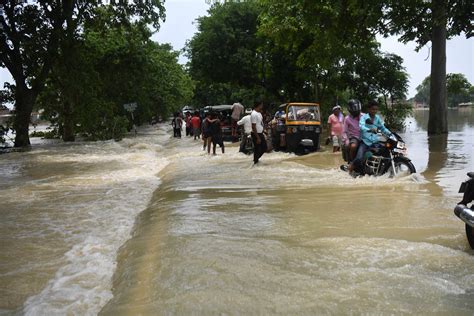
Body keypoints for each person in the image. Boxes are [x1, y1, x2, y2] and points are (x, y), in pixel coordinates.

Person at [349, 100, 393, 173]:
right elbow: (361, 126)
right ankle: (350, 168)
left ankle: (381, 170)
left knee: (386, 151)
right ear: (369, 109)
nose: (374, 111)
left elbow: (382, 127)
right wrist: (369, 129)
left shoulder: (377, 118)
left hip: (375, 141)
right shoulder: (364, 117)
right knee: (359, 158)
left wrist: (390, 133)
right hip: (365, 142)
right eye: (373, 109)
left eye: (376, 109)